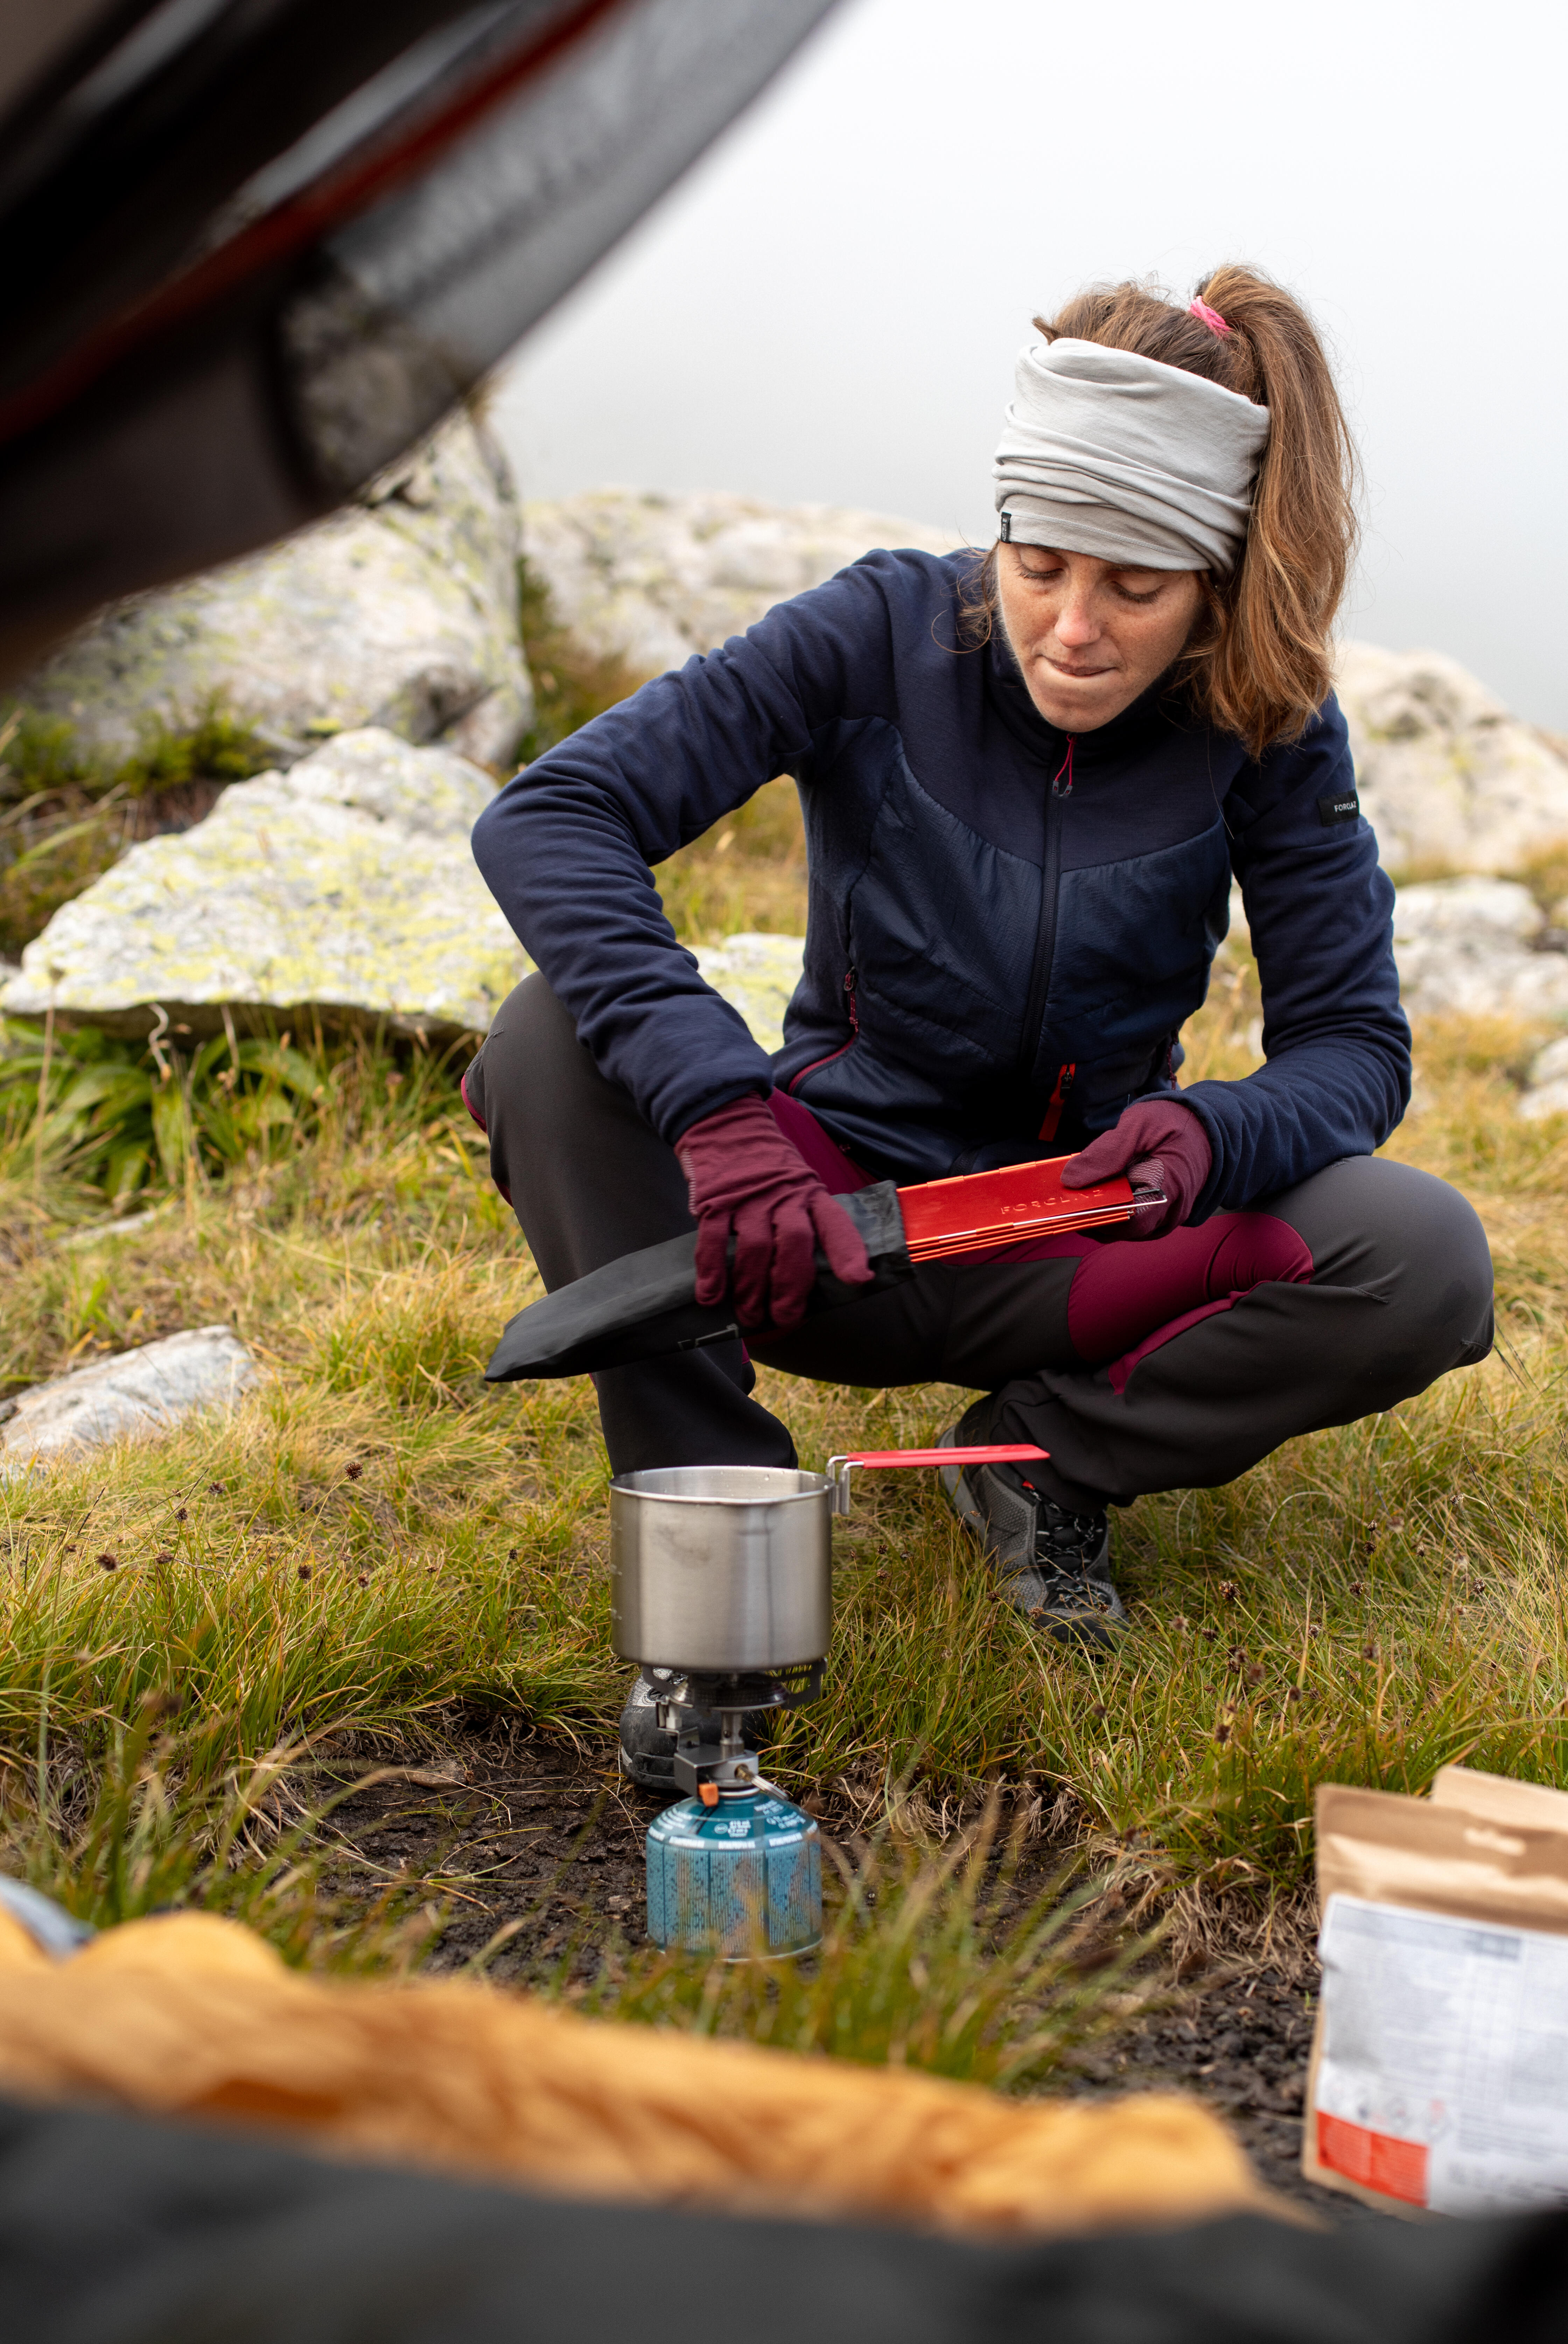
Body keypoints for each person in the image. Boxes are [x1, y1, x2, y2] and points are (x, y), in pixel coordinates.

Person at [464, 267, 1493, 1790]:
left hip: (1069, 1241)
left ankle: (1038, 1462)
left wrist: (1219, 1133)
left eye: (1133, 589)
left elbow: (1356, 1046)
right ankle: (715, 1549)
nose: (1071, 630)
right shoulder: (880, 627)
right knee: (546, 1042)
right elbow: (555, 816)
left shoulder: (1269, 720)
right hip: (802, 1220)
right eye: (1038, 565)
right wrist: (721, 1115)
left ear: (1213, 578)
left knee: (1421, 1257)